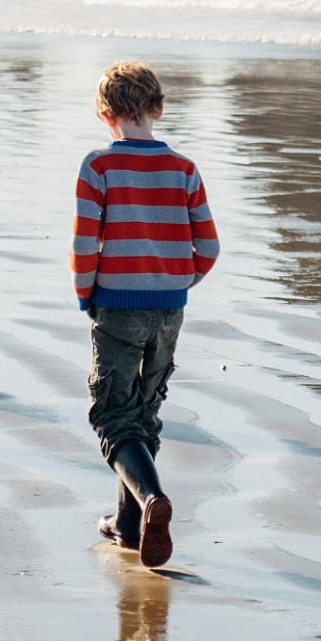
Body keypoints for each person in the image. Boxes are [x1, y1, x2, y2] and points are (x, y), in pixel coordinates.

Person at [71, 61, 219, 568]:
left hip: (115, 303)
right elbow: (210, 246)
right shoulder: (184, 169)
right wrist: (179, 282)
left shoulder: (98, 167)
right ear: (157, 108)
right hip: (169, 308)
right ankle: (130, 526)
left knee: (113, 414)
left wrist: (86, 293)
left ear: (105, 114)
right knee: (145, 411)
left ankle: (151, 500)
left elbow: (84, 241)